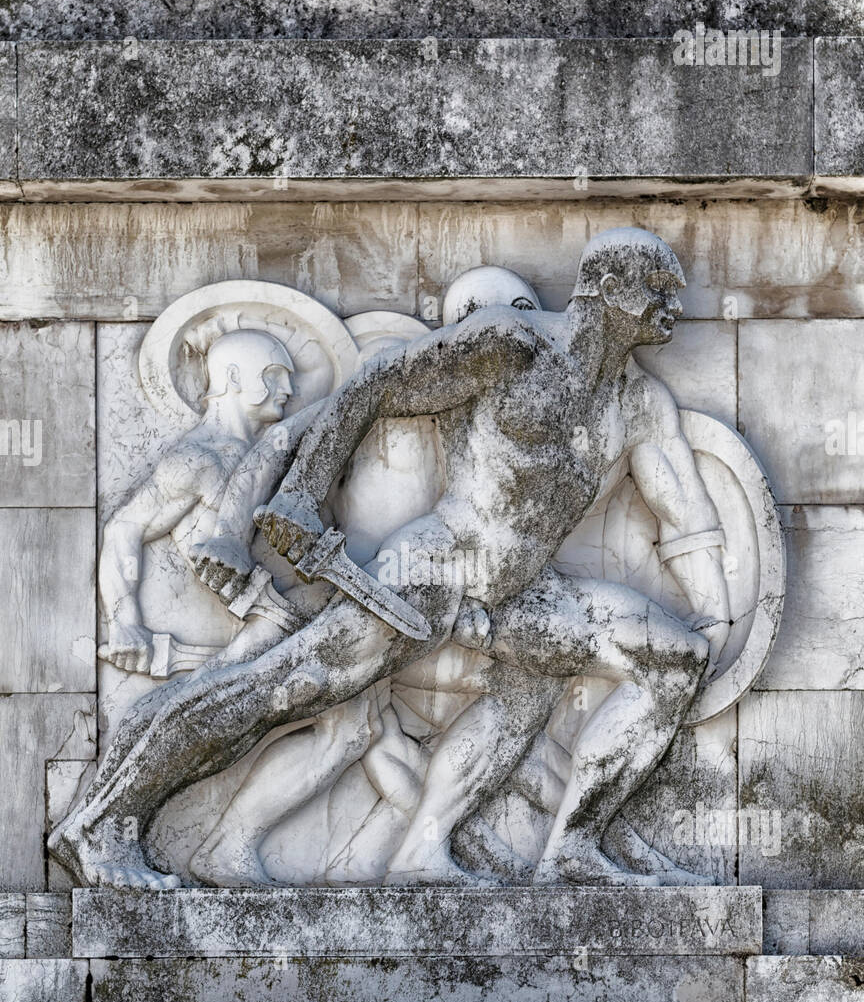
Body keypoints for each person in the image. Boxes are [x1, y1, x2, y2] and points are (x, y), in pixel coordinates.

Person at [50, 229, 729, 889]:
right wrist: (305, 495)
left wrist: (721, 615)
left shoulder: (639, 401)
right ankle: (104, 823)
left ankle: (573, 848)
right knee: (280, 691)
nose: (675, 309)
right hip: (437, 570)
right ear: (610, 290)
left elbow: (685, 512)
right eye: (660, 292)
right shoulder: (512, 345)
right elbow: (377, 383)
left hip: (522, 594)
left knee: (671, 659)